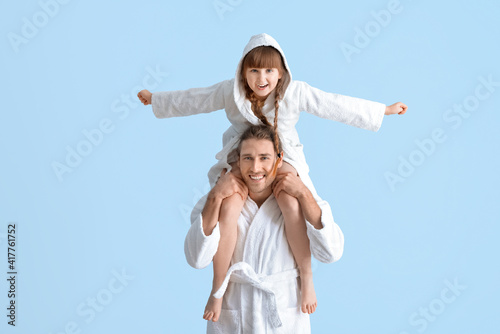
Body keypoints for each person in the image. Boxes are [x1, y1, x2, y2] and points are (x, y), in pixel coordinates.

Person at [137, 33, 407, 321]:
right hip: (241, 156)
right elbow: (197, 99)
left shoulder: (296, 92)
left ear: (281, 74)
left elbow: (334, 104)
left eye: (268, 70)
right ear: (243, 71)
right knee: (228, 205)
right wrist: (158, 100)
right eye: (253, 70)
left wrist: (382, 111)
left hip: (285, 158)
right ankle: (217, 290)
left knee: (293, 203)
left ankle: (308, 278)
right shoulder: (230, 91)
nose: (261, 77)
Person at [185, 124, 344, 333]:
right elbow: (197, 259)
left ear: (279, 159)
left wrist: (304, 193)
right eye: (248, 158)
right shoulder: (221, 197)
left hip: (284, 312)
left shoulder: (296, 196)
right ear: (238, 160)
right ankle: (217, 292)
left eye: (264, 158)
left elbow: (331, 253)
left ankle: (308, 278)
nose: (255, 168)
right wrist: (215, 196)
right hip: (234, 312)